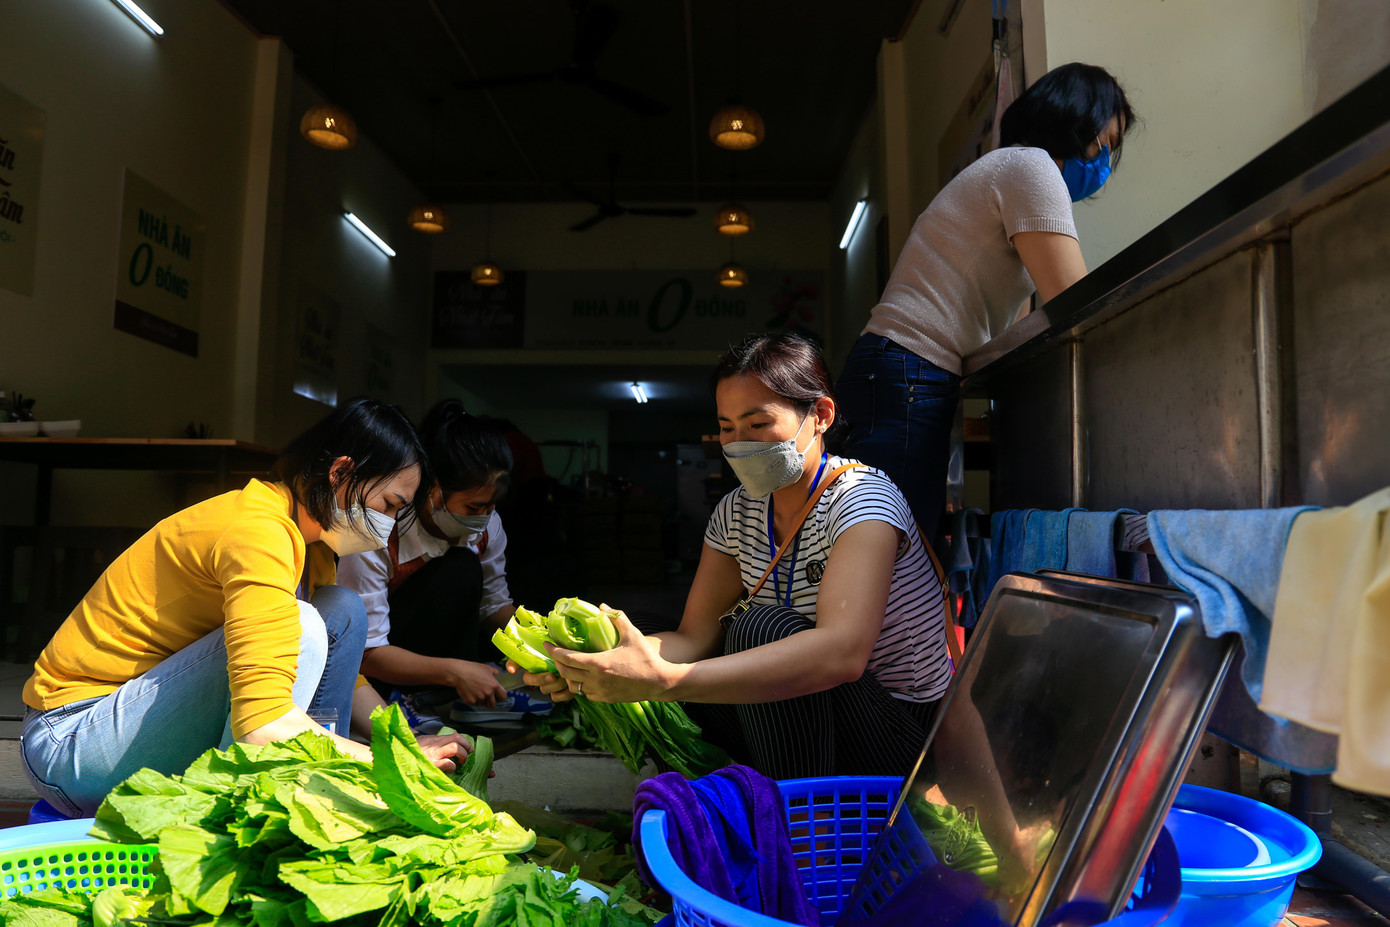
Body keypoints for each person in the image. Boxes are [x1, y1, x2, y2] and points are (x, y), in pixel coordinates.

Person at [518, 333, 953, 779]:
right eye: (727, 428)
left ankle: (799, 822)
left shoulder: (863, 501)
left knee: (760, 629)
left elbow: (842, 653)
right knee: (633, 634)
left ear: (820, 415)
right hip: (804, 721)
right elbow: (695, 636)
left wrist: (665, 680)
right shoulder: (737, 510)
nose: (740, 442)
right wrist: (591, 663)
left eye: (758, 424)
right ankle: (725, 790)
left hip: (896, 736)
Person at [19, 399, 473, 817]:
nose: (388, 525)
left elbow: (345, 677)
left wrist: (407, 743)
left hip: (119, 726)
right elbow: (263, 721)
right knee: (303, 626)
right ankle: (249, 799)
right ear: (340, 473)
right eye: (389, 505)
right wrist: (387, 763)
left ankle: (301, 778)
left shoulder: (311, 545)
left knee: (341, 609)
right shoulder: (258, 532)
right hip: (71, 740)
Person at [836, 62, 1136, 543]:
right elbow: (1075, 301)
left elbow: (1010, 333)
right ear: (1079, 120)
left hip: (895, 371)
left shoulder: (1010, 169)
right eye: (1105, 141)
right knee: (891, 564)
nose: (1103, 160)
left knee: (884, 558)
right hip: (909, 372)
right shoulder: (1032, 168)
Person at [338, 399, 515, 710]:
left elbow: (494, 603)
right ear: (434, 488)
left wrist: (540, 648)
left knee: (462, 567)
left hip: (449, 668)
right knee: (459, 568)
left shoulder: (488, 526)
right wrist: (456, 673)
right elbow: (365, 650)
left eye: (491, 506)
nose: (484, 516)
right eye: (474, 507)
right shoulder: (379, 529)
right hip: (380, 670)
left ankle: (454, 695)